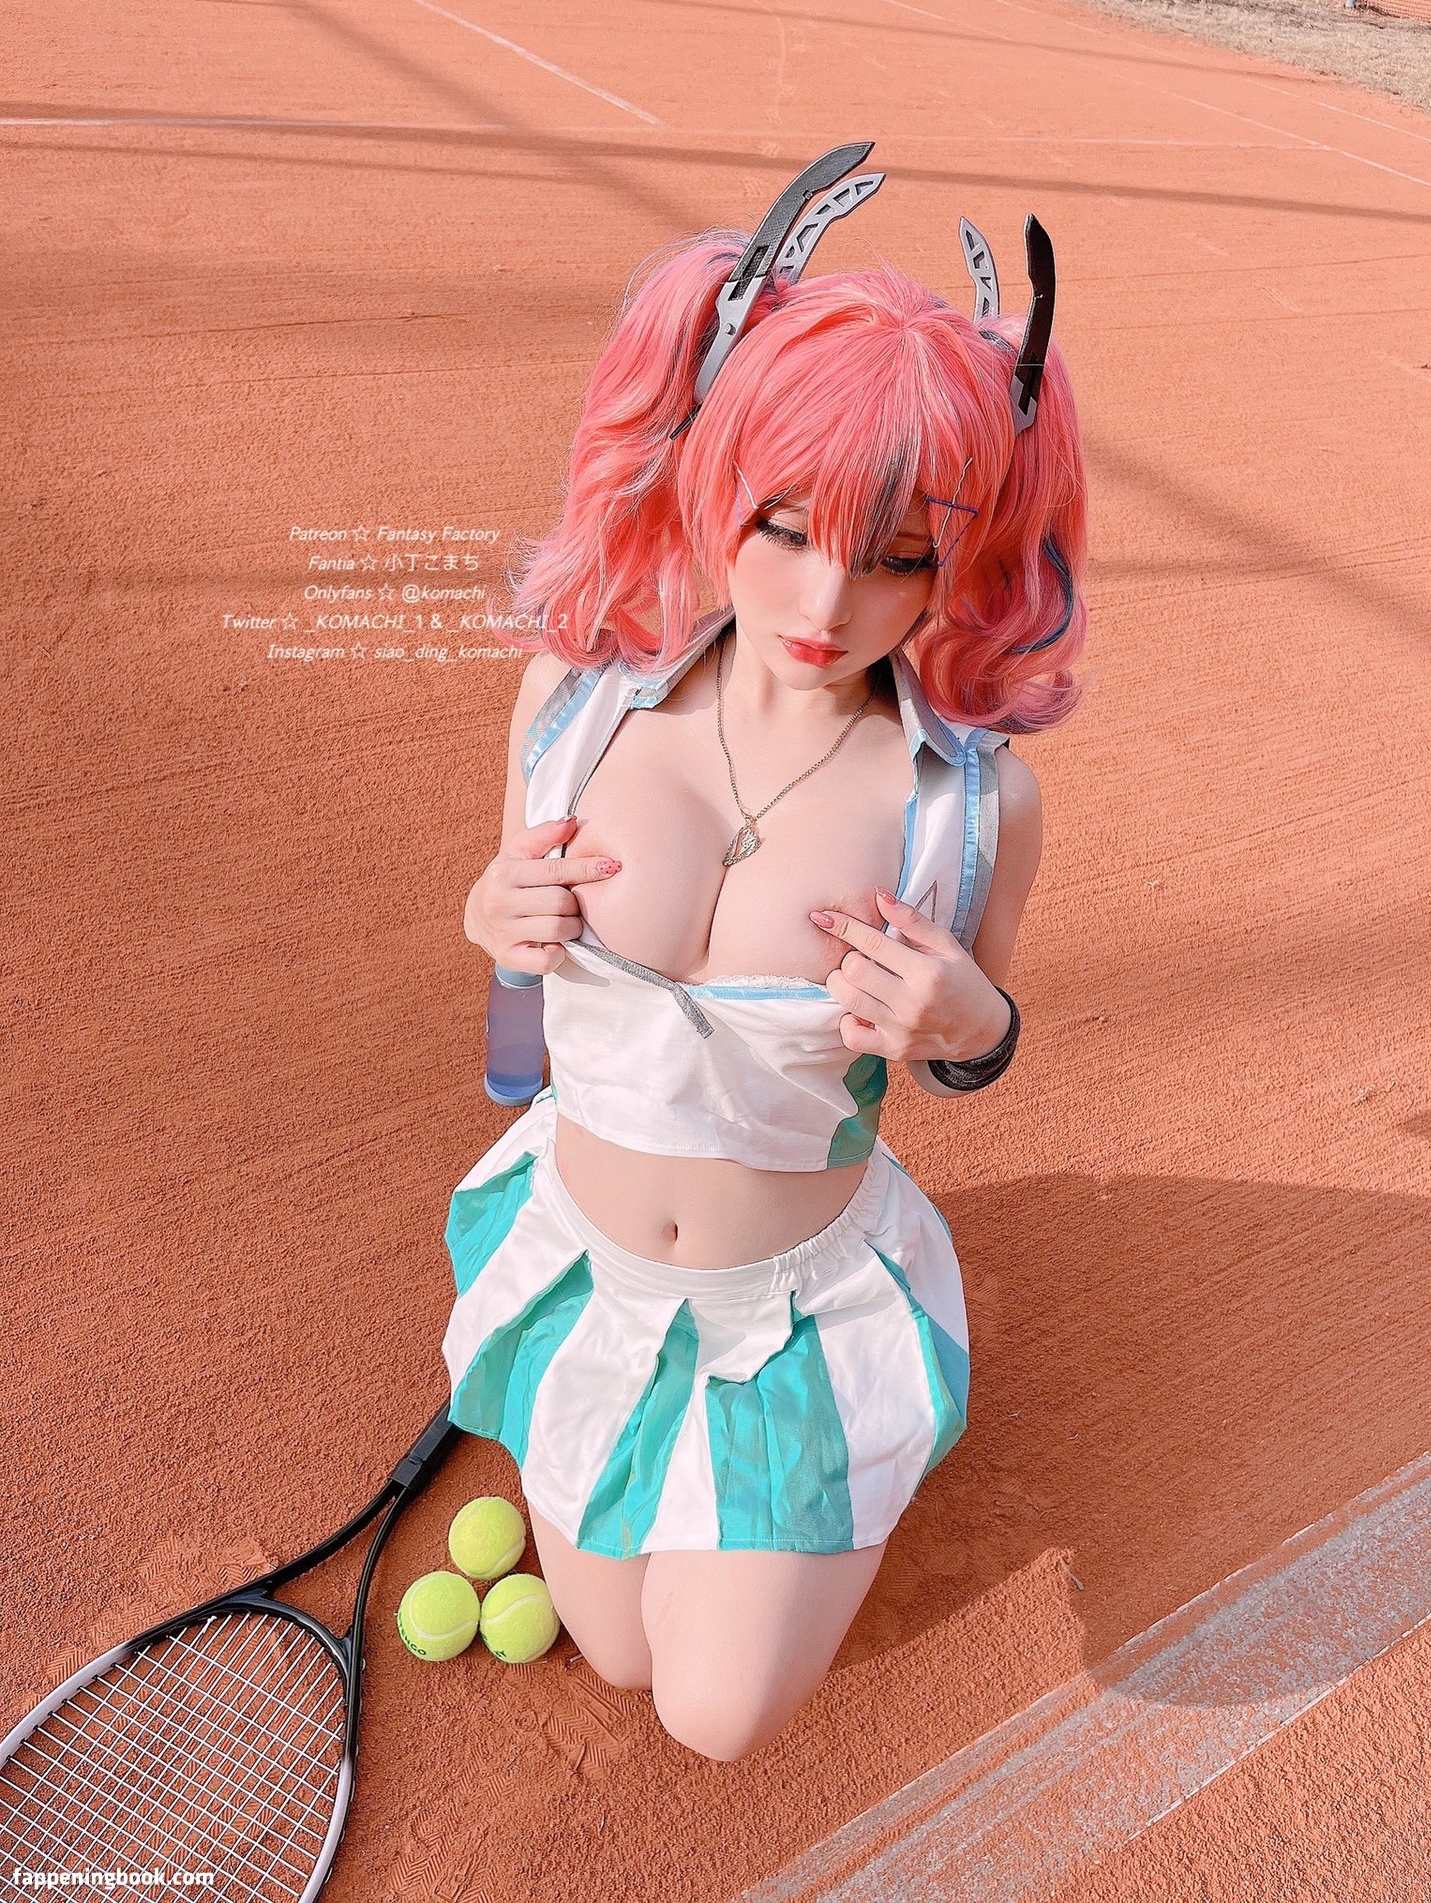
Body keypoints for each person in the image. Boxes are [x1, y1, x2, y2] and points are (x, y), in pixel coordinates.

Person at [445, 168, 1088, 1763]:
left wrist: (974, 1024)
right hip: (590, 1266)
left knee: (714, 1713)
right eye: (785, 527)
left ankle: (860, 1439)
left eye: (900, 557)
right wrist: (490, 917)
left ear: (964, 559)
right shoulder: (573, 703)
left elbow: (970, 1049)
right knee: (613, 1658)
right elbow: (513, 970)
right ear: (712, 474)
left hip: (792, 1312)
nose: (826, 600)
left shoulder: (970, 806)